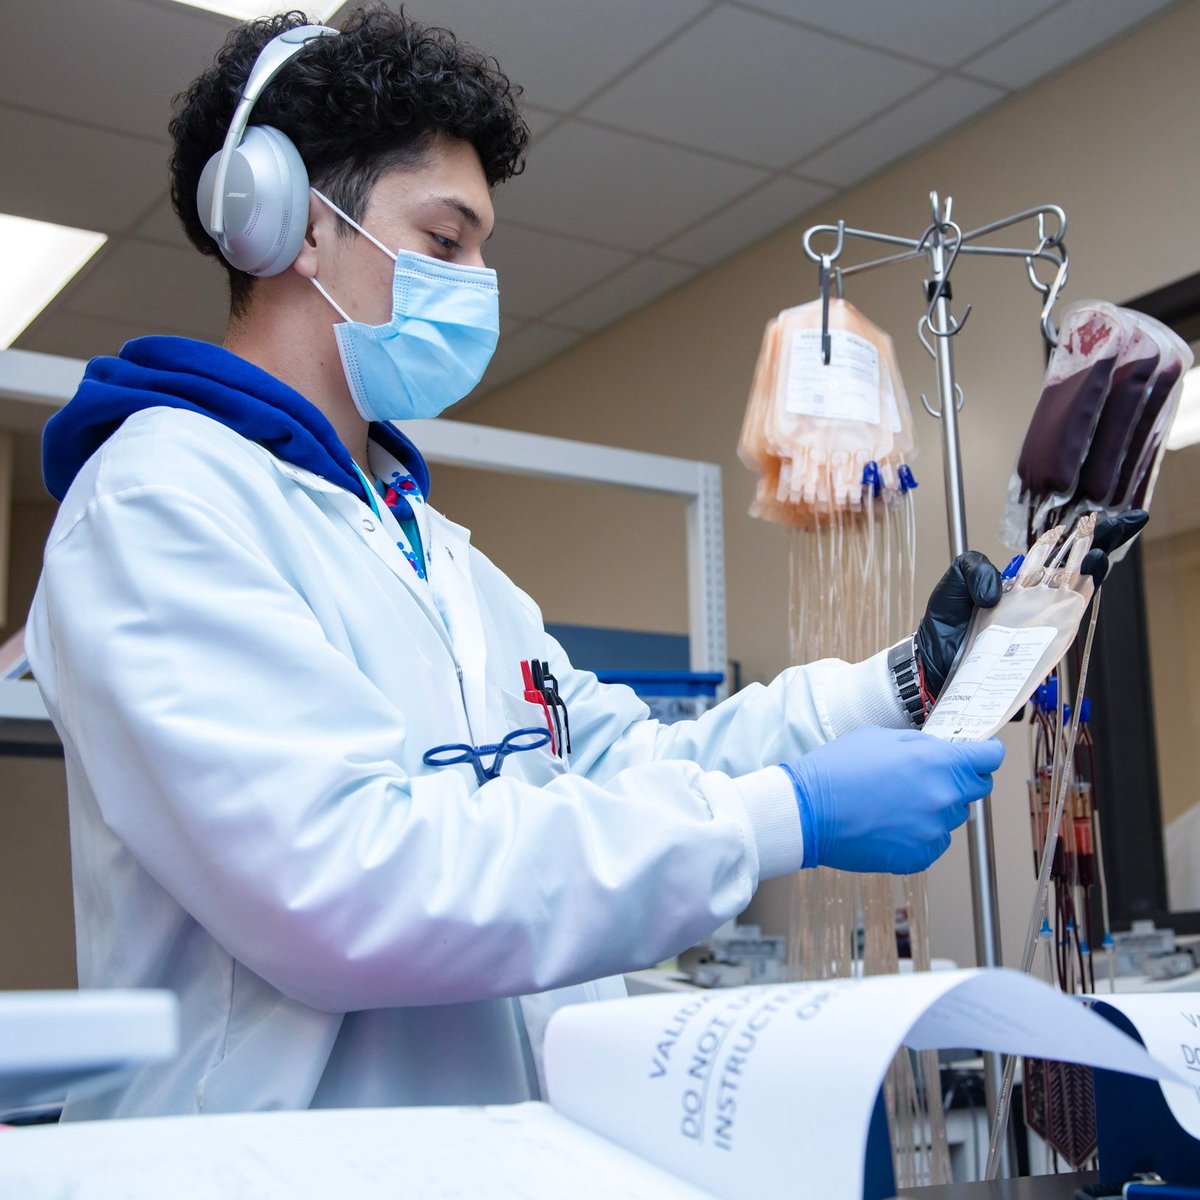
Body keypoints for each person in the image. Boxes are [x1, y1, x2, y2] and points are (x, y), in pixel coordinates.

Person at [24, 7, 1138, 1119]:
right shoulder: (159, 503)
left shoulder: (438, 557)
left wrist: (899, 685)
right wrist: (782, 819)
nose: (478, 282)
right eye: (445, 242)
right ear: (292, 226)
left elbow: (631, 764)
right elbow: (349, 883)